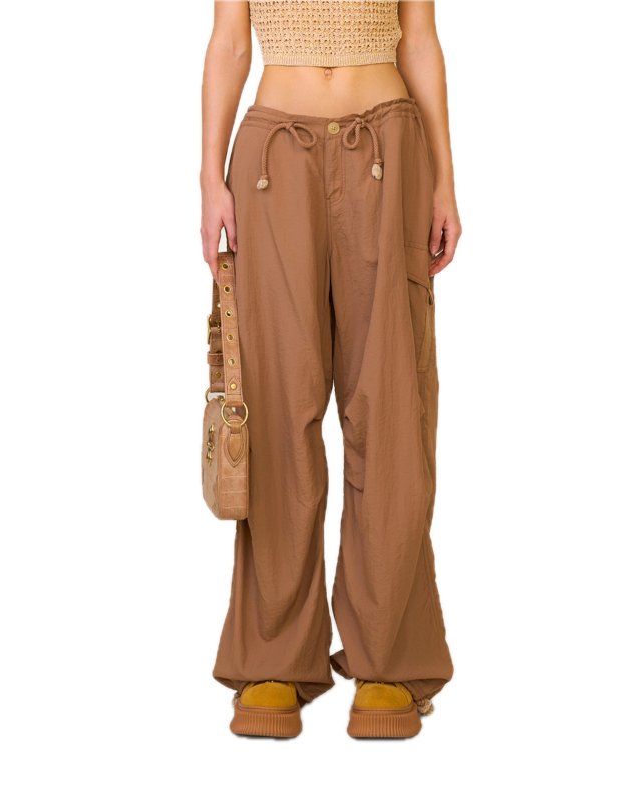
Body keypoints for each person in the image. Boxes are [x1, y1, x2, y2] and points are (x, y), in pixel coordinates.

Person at [200, 0, 461, 739]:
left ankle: (389, 659)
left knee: (392, 402)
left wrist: (444, 179)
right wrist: (209, 178)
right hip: (271, 161)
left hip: (388, 144)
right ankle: (274, 655)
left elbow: (420, 40)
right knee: (277, 403)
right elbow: (229, 42)